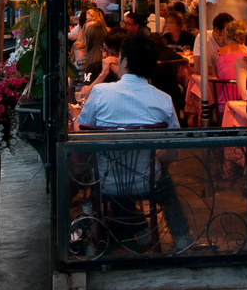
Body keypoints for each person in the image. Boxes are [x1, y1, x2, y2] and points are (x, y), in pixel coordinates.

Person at [76, 34, 194, 251]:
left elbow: (80, 134)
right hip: (146, 183)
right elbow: (172, 153)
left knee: (110, 165)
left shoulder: (100, 93)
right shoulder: (163, 100)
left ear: (125, 62)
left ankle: (115, 230)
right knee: (160, 173)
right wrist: (149, 153)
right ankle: (182, 236)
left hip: (104, 183)